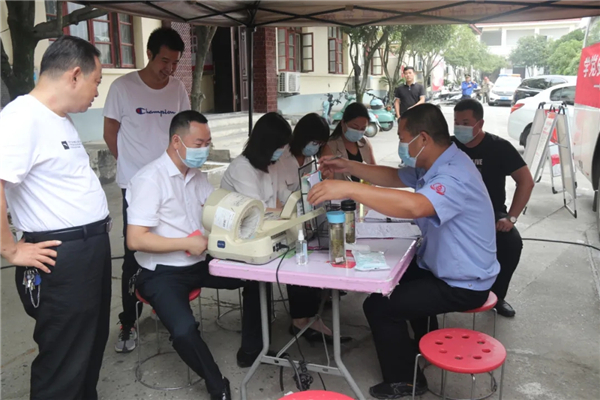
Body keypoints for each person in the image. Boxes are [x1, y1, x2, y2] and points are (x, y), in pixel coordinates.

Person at [308, 104, 500, 399]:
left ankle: (405, 382)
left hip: (464, 282)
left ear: (422, 138)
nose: (400, 144)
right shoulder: (439, 161)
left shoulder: (454, 175)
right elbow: (396, 177)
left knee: (379, 307)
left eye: (401, 137)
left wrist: (349, 189)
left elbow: (415, 206)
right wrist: (347, 167)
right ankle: (422, 344)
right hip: (444, 267)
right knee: (393, 281)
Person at [0, 36, 111, 400]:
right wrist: (10, 250)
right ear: (75, 75)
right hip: (60, 257)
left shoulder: (60, 119)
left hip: (89, 249)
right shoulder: (21, 118)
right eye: (96, 81)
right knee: (64, 359)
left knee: (89, 346)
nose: (97, 92)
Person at [127, 110, 265, 400]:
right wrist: (184, 243)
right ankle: (218, 385)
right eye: (199, 144)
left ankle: (253, 349)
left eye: (208, 143)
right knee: (183, 330)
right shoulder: (150, 179)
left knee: (257, 275)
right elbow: (135, 239)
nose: (205, 150)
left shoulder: (197, 176)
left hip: (200, 261)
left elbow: (213, 212)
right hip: (162, 272)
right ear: (176, 141)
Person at [222, 112, 348, 343]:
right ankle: (290, 327)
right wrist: (288, 210)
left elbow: (282, 198)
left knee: (305, 249)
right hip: (244, 238)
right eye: (280, 147)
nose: (282, 152)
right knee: (295, 254)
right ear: (266, 144)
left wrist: (300, 203)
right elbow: (257, 211)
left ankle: (307, 316)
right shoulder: (242, 169)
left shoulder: (268, 166)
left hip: (268, 230)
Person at [103, 27, 190, 353]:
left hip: (172, 184)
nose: (170, 68)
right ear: (149, 54)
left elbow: (185, 130)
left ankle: (166, 307)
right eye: (164, 61)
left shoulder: (177, 88)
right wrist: (131, 168)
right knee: (133, 255)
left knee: (171, 246)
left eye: (175, 62)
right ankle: (128, 322)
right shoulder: (123, 87)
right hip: (135, 187)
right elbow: (110, 132)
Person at [272, 113, 351, 343]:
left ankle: (312, 313)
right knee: (298, 260)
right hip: (285, 218)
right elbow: (279, 196)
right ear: (302, 136)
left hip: (307, 217)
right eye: (314, 141)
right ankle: (301, 320)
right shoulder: (282, 158)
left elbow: (312, 186)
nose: (316, 147)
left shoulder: (310, 158)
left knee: (318, 254)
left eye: (320, 143)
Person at [453, 99, 534, 317]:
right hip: (453, 212)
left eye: (465, 123)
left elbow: (526, 181)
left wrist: (511, 218)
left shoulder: (499, 147)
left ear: (480, 123)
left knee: (511, 244)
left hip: (491, 214)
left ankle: (497, 296)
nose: (460, 127)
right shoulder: (449, 146)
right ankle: (442, 293)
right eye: (456, 122)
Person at [321, 103, 376, 182]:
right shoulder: (330, 146)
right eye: (354, 127)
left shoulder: (365, 143)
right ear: (343, 123)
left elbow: (374, 171)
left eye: (363, 128)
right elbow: (328, 180)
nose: (358, 131)